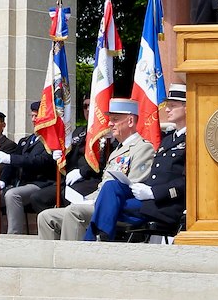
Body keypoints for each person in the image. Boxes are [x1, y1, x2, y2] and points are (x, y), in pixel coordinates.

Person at [36, 98, 155, 241]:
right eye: (110, 119)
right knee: (46, 217)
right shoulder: (117, 150)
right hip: (99, 201)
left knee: (74, 212)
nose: (110, 124)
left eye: (115, 119)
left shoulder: (143, 148)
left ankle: (71, 260)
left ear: (130, 121)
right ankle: (49, 261)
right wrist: (86, 199)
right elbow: (102, 186)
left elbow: (133, 186)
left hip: (116, 206)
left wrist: (95, 201)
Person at [84, 85, 188, 241]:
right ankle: (100, 239)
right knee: (111, 186)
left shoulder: (192, 140)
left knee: (108, 206)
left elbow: (188, 183)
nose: (167, 109)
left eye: (173, 105)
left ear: (187, 108)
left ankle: (95, 242)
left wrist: (154, 192)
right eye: (167, 105)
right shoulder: (167, 140)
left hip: (164, 204)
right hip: (148, 199)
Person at [0, 101, 58, 234]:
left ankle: (14, 235)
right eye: (32, 116)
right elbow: (11, 165)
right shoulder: (25, 141)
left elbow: (39, 161)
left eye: (36, 116)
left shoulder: (50, 141)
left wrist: (10, 158)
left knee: (12, 195)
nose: (33, 120)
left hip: (39, 183)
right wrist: (2, 180)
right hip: (19, 183)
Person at [28, 97, 104, 213]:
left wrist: (82, 172)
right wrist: (60, 155)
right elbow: (70, 153)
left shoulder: (105, 134)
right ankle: (56, 227)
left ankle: (73, 229)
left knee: (68, 194)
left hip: (92, 179)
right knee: (38, 198)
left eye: (91, 106)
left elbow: (104, 159)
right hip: (69, 179)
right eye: (85, 106)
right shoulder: (79, 131)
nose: (88, 110)